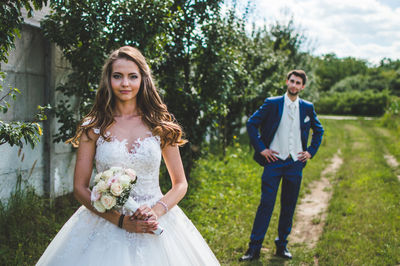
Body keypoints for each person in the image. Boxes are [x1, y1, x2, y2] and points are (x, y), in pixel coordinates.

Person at [37, 46, 220, 266]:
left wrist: (156, 211)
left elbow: (180, 183)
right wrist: (121, 221)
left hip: (154, 217)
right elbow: (80, 188)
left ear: (143, 79)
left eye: (132, 76)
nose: (125, 84)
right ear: (108, 80)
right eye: (118, 76)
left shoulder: (160, 125)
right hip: (106, 220)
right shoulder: (94, 126)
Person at [239, 70, 324, 261]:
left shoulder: (307, 107)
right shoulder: (272, 103)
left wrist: (310, 151)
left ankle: (282, 246)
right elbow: (252, 123)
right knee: (266, 204)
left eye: (298, 83)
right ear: (287, 82)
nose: (294, 85)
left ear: (303, 86)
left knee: (289, 205)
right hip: (274, 162)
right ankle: (254, 249)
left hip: (295, 163)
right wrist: (261, 148)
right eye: (292, 81)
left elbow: (318, 130)